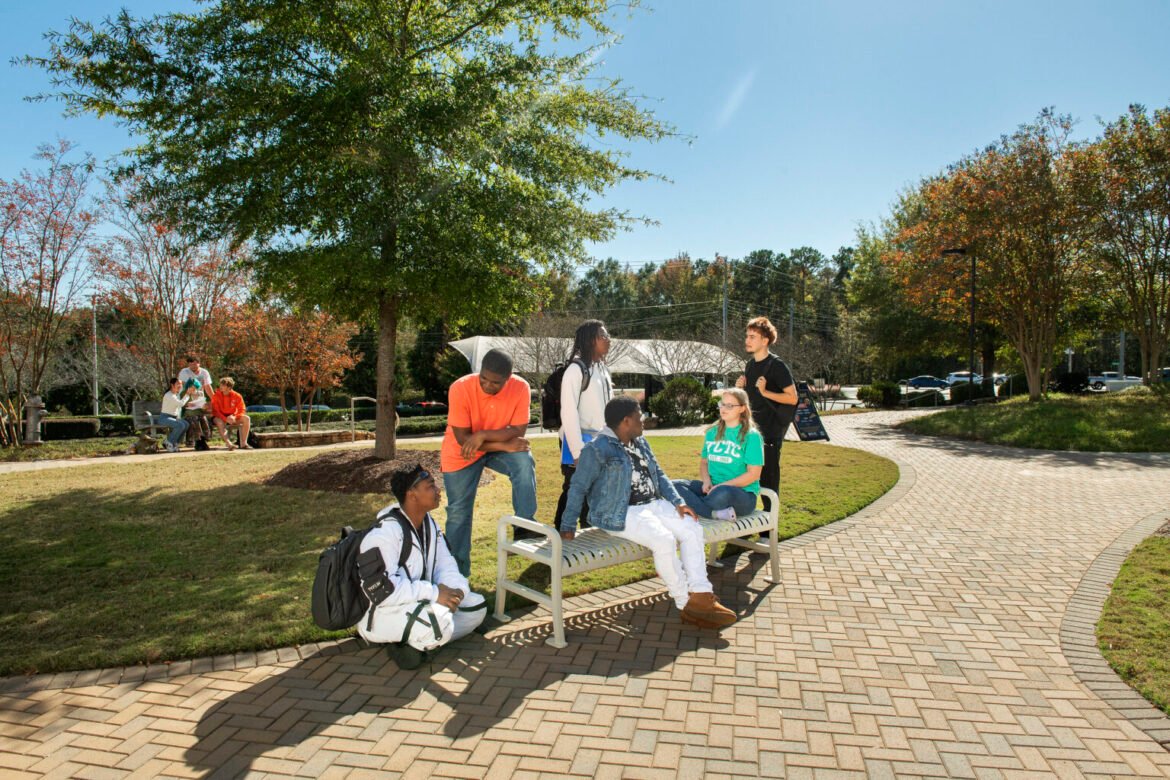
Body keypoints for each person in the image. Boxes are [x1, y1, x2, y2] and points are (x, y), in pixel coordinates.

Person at [559, 396, 737, 629]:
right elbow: (578, 486)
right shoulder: (597, 449)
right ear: (626, 421)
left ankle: (702, 595)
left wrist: (678, 502)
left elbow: (659, 474)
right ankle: (686, 604)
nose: (643, 420)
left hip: (654, 504)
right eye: (639, 416)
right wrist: (567, 525)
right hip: (620, 511)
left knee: (692, 529)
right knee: (664, 540)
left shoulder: (640, 442)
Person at [358, 465, 486, 670]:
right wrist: (435, 594)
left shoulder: (429, 524)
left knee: (476, 607)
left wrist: (455, 592)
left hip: (420, 604)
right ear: (412, 495)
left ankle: (418, 644)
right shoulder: (385, 534)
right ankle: (420, 639)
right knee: (439, 622)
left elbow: (446, 565)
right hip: (382, 613)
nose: (438, 491)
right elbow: (382, 592)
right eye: (431, 486)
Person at [441, 348, 537, 576]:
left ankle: (524, 527)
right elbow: (464, 440)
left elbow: (518, 430)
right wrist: (502, 445)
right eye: (483, 378)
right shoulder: (460, 387)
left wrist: (483, 435)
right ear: (479, 371)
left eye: (496, 382)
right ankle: (457, 575)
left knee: (523, 460)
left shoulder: (521, 387)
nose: (487, 385)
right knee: (458, 513)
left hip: (490, 445)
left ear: (508, 378)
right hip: (460, 453)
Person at [553, 320, 613, 533]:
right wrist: (578, 451)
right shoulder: (576, 370)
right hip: (577, 441)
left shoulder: (602, 369)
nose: (608, 339)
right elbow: (568, 413)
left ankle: (588, 530)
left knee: (594, 488)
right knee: (573, 489)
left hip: (599, 440)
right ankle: (560, 533)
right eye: (603, 336)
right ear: (590, 340)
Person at [672, 388, 763, 521]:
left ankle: (698, 505)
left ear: (742, 408)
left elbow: (753, 474)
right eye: (722, 404)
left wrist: (722, 486)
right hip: (712, 488)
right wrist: (707, 481)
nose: (723, 409)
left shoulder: (751, 436)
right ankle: (713, 513)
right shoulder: (712, 433)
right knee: (674, 485)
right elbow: (704, 462)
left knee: (722, 493)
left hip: (742, 495)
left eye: (730, 405)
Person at [736, 317, 797, 514]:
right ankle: (745, 523)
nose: (747, 340)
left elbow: (792, 398)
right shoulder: (750, 366)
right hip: (750, 433)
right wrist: (740, 389)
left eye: (752, 336)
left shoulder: (777, 366)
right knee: (746, 479)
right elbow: (750, 400)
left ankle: (768, 533)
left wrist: (766, 392)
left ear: (765, 340)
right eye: (747, 336)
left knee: (768, 482)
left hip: (770, 434)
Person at [177, 355, 213, 448]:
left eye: (194, 362)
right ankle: (196, 440)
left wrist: (214, 400)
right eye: (190, 362)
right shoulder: (184, 372)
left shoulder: (204, 372)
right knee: (194, 417)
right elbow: (185, 387)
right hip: (186, 400)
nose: (192, 364)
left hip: (199, 401)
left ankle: (204, 439)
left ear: (199, 363)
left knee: (203, 417)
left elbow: (208, 387)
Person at [209, 377, 252, 450]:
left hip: (232, 416)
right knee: (219, 422)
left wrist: (234, 417)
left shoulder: (237, 396)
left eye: (223, 385)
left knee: (247, 418)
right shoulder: (216, 396)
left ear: (229, 387)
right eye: (221, 385)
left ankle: (244, 443)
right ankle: (229, 444)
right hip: (220, 416)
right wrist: (225, 419)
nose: (221, 387)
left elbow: (242, 409)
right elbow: (216, 411)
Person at [158, 377, 192, 453]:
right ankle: (169, 442)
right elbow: (180, 404)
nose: (180, 385)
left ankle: (175, 443)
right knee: (180, 425)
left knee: (186, 424)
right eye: (178, 384)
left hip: (172, 418)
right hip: (164, 418)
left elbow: (178, 405)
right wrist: (187, 394)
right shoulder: (169, 395)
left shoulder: (175, 394)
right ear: (172, 385)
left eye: (181, 384)